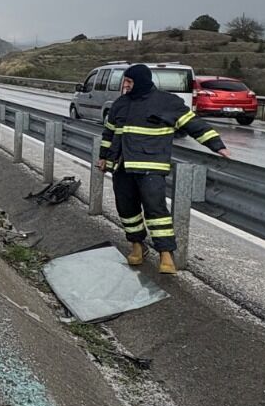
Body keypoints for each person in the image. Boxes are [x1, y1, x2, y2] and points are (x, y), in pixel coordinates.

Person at [97, 63, 229, 273]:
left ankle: (166, 254)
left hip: (151, 168)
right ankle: (137, 246)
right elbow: (109, 134)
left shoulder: (167, 102)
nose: (126, 86)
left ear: (140, 81)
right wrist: (104, 157)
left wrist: (217, 145)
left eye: (129, 82)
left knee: (156, 210)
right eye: (125, 82)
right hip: (122, 167)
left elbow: (193, 124)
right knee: (127, 210)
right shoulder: (120, 104)